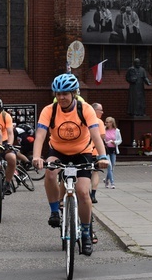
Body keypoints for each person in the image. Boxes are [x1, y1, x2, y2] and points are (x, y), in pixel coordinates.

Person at [31, 74, 109, 255]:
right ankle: (54, 212)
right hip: (58, 150)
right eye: (58, 94)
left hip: (82, 152)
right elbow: (41, 135)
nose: (61, 97)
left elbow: (96, 135)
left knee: (82, 191)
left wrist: (103, 156)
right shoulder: (49, 110)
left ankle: (87, 233)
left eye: (65, 94)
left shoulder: (86, 109)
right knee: (50, 173)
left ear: (73, 93)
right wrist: (37, 156)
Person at [89, 102, 106, 204]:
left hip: (84, 150)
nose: (102, 112)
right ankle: (93, 195)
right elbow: (102, 137)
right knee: (95, 172)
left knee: (85, 173)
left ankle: (85, 193)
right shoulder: (99, 121)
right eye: (101, 110)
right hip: (95, 151)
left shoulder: (84, 119)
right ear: (95, 111)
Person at [103, 116, 122, 189]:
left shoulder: (116, 131)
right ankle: (112, 182)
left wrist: (115, 142)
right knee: (109, 166)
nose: (106, 123)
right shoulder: (104, 130)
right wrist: (105, 142)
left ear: (111, 123)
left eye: (107, 122)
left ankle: (106, 180)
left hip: (113, 149)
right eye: (106, 122)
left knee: (112, 166)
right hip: (107, 150)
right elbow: (102, 139)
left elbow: (120, 140)